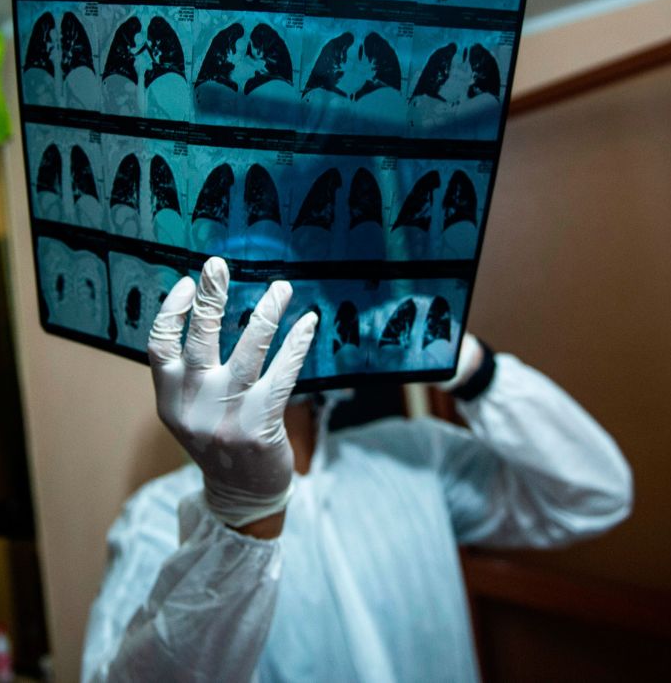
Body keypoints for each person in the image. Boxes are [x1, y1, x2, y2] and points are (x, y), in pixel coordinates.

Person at [82, 257, 633, 682]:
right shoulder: (158, 519)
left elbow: (596, 494)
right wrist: (236, 522)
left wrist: (471, 367)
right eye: (242, 308)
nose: (271, 322)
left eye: (295, 297)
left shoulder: (416, 458)